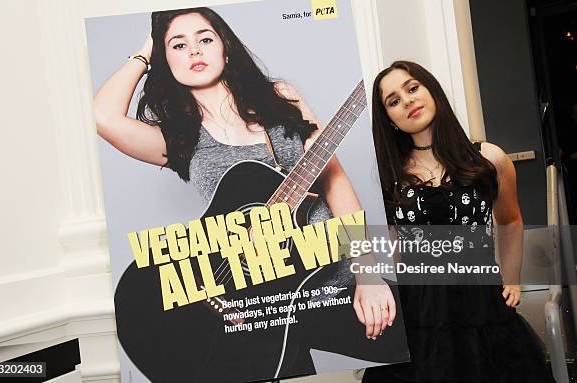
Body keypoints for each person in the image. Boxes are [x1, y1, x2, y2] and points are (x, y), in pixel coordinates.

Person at [93, 7, 404, 381]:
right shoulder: (178, 138)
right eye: (178, 44)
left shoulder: (280, 97)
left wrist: (366, 275)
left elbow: (334, 181)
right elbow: (105, 118)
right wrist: (147, 50)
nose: (194, 51)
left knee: (421, 339)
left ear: (225, 47)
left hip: (333, 279)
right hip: (253, 308)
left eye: (205, 39)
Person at [363, 61, 556, 383]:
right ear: (389, 120)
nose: (407, 101)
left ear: (431, 90)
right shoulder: (386, 175)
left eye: (412, 88)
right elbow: (389, 246)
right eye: (393, 101)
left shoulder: (489, 158)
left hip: (483, 303)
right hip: (419, 310)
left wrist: (511, 280)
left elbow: (509, 220)